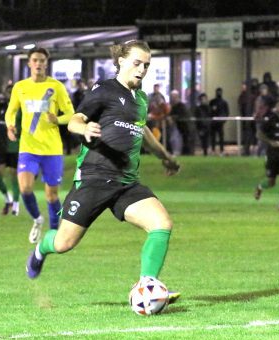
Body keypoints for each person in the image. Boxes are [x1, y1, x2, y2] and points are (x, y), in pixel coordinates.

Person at [25, 40, 181, 304]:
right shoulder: (105, 89)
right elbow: (76, 119)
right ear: (121, 61)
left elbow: (142, 131)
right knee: (64, 243)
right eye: (136, 63)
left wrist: (166, 157)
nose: (142, 69)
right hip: (94, 179)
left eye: (146, 65)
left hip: (126, 183)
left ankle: (147, 285)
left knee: (161, 224)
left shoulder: (140, 99)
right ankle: (41, 249)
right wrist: (84, 130)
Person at [5, 47, 75, 243]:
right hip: (28, 147)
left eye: (42, 60)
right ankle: (37, 219)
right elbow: (10, 111)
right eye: (35, 60)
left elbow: (71, 114)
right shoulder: (20, 87)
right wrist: (10, 126)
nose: (38, 64)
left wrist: (58, 120)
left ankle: (54, 233)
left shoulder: (57, 87)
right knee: (25, 188)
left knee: (52, 196)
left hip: (52, 149)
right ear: (29, 63)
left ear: (46, 63)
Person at [0, 88, 21, 215]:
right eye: (8, 93)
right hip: (1, 146)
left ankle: (15, 205)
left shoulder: (21, 109)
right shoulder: (0, 108)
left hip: (15, 146)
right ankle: (7, 198)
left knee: (14, 176)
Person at [209, 87, 229, 156]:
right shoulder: (212, 102)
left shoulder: (224, 102)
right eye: (218, 92)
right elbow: (210, 111)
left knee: (221, 137)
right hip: (214, 122)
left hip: (220, 122)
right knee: (213, 137)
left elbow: (226, 112)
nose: (219, 93)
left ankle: (221, 150)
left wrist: (224, 120)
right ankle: (213, 149)